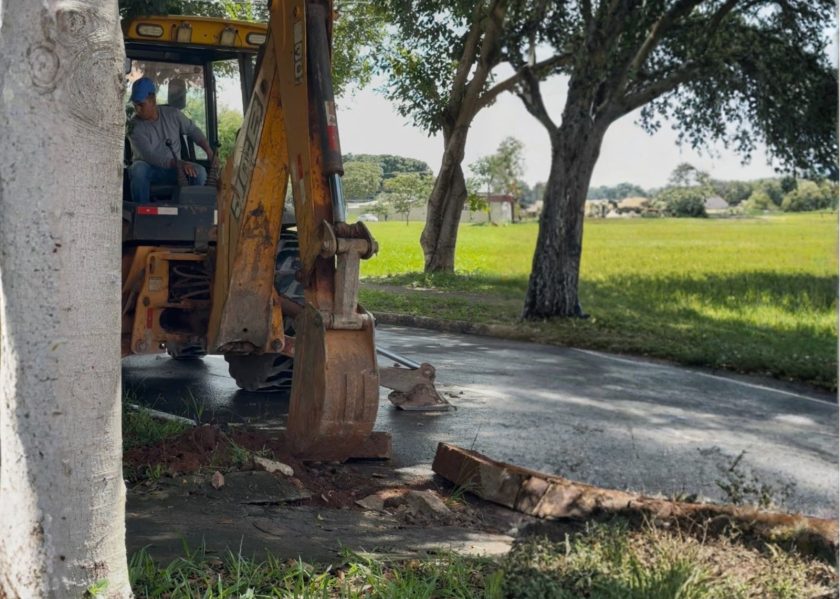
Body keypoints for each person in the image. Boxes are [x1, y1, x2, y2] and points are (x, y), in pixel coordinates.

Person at [127, 76, 215, 203]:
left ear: (153, 101)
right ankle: (142, 213)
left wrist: (209, 151)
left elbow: (193, 130)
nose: (137, 109)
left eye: (141, 105)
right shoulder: (135, 126)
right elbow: (150, 156)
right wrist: (179, 163)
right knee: (138, 169)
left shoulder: (173, 114)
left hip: (174, 170)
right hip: (151, 170)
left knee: (200, 172)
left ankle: (195, 214)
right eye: (135, 105)